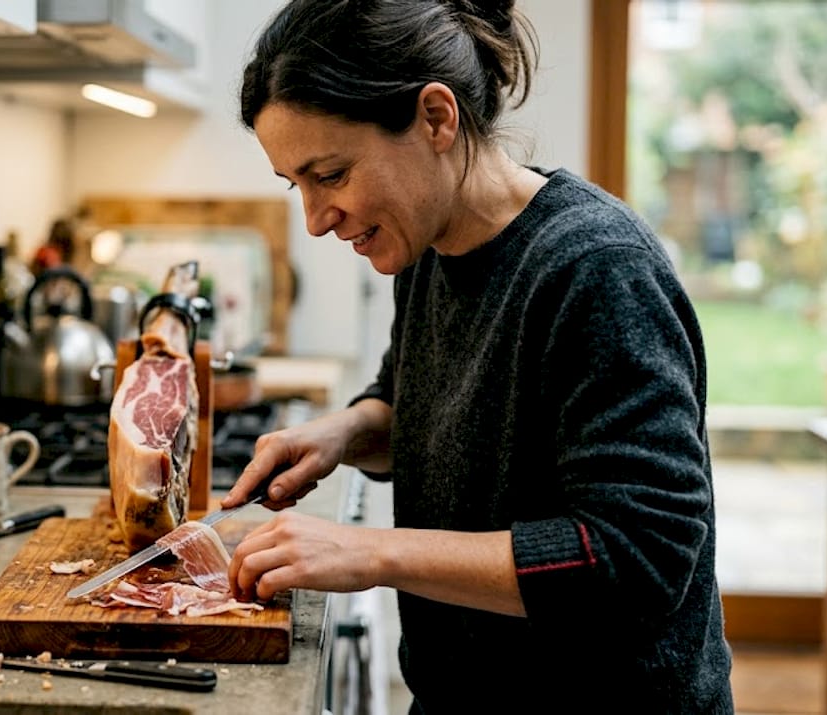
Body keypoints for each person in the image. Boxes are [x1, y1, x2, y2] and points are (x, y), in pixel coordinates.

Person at [222, 1, 735, 712]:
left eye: (331, 174)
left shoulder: (596, 270)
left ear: (436, 118)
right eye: (296, 185)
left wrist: (370, 552)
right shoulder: (424, 247)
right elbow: (416, 398)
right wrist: (340, 435)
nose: (314, 219)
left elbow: (637, 555)